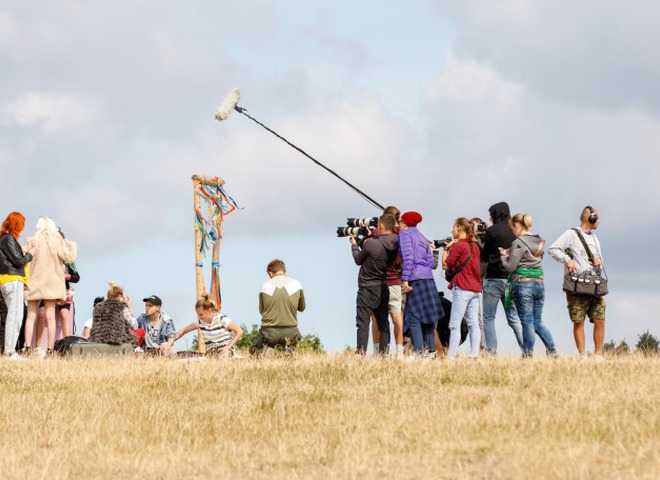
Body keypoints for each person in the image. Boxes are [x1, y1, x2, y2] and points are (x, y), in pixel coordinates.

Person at [549, 206, 606, 357]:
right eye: (597, 218)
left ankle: (598, 354)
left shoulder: (594, 238)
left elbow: (600, 260)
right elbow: (553, 248)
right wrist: (567, 259)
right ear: (591, 218)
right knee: (579, 321)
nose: (599, 221)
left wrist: (598, 261)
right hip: (578, 285)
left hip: (594, 285)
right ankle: (582, 355)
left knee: (600, 318)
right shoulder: (571, 234)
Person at [500, 214, 557, 357]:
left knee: (527, 321)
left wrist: (503, 256)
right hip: (539, 284)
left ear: (517, 226)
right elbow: (532, 258)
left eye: (512, 228)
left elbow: (510, 268)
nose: (512, 232)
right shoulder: (538, 241)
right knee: (537, 321)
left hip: (523, 284)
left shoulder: (518, 242)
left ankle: (527, 354)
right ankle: (552, 350)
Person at [23, 216, 77, 354]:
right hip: (51, 282)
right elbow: (69, 257)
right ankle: (50, 349)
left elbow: (24, 259)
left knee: (31, 316)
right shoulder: (56, 242)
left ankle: (28, 347)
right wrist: (69, 243)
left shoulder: (31, 241)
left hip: (34, 281)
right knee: (51, 316)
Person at [350, 215, 398, 355]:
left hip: (367, 287)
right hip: (383, 286)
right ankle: (384, 353)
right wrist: (370, 237)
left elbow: (358, 260)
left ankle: (361, 353)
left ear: (381, 226)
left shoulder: (371, 243)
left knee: (363, 322)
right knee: (383, 323)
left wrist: (354, 245)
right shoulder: (395, 243)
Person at [480, 202, 524, 354]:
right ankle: (526, 349)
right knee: (513, 317)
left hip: (493, 279)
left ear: (495, 214)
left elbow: (484, 257)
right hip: (511, 279)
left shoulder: (492, 231)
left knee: (488, 317)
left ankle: (492, 351)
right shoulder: (515, 230)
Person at [399, 211, 443, 356]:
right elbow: (430, 262)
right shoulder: (422, 237)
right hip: (428, 279)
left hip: (415, 279)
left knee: (413, 318)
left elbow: (408, 257)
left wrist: (405, 280)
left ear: (405, 223)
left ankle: (419, 352)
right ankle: (431, 350)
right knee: (428, 316)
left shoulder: (405, 235)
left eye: (400, 221)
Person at [442, 218, 482, 359]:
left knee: (454, 324)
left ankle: (451, 356)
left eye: (453, 227)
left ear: (459, 228)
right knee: (473, 323)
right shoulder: (475, 246)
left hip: (463, 287)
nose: (451, 230)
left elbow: (446, 265)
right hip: (476, 288)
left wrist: (447, 249)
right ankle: (474, 355)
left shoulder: (459, 246)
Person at [252, 259, 306, 354]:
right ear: (285, 271)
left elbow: (262, 311)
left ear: (270, 273)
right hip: (291, 331)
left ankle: (267, 350)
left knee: (254, 351)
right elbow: (302, 308)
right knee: (292, 344)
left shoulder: (265, 286)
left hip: (269, 332)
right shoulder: (296, 284)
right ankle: (288, 351)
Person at [371, 206, 405, 356]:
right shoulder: (401, 237)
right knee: (397, 317)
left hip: (378, 282)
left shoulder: (375, 235)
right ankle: (400, 351)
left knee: (376, 319)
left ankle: (378, 350)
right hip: (395, 281)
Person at [0, 212, 33, 359]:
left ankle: (9, 349)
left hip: (9, 281)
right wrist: (30, 254)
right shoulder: (8, 239)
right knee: (15, 317)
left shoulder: (4, 239)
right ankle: (10, 351)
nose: (22, 228)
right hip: (13, 281)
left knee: (14, 316)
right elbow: (19, 261)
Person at [172, 293, 243, 356]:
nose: (199, 317)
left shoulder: (221, 319)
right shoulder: (200, 322)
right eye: (197, 314)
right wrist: (170, 343)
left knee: (221, 356)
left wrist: (228, 347)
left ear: (209, 311)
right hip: (211, 353)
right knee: (180, 354)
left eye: (201, 314)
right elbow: (183, 331)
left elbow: (239, 331)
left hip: (225, 350)